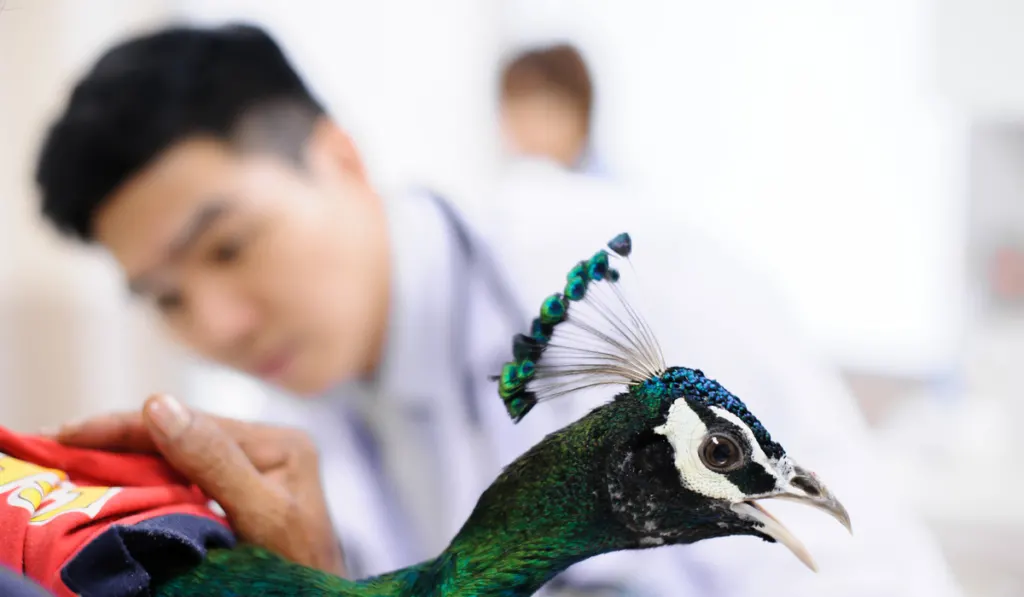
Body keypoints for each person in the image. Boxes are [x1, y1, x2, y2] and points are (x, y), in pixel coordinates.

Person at [32, 22, 964, 596]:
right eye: (167, 297)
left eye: (230, 246)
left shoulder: (640, 271)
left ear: (341, 160)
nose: (217, 324)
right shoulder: (300, 419)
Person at [498, 42, 608, 177]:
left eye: (545, 116)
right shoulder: (509, 184)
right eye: (518, 118)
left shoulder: (603, 191)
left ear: (581, 116)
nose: (531, 134)